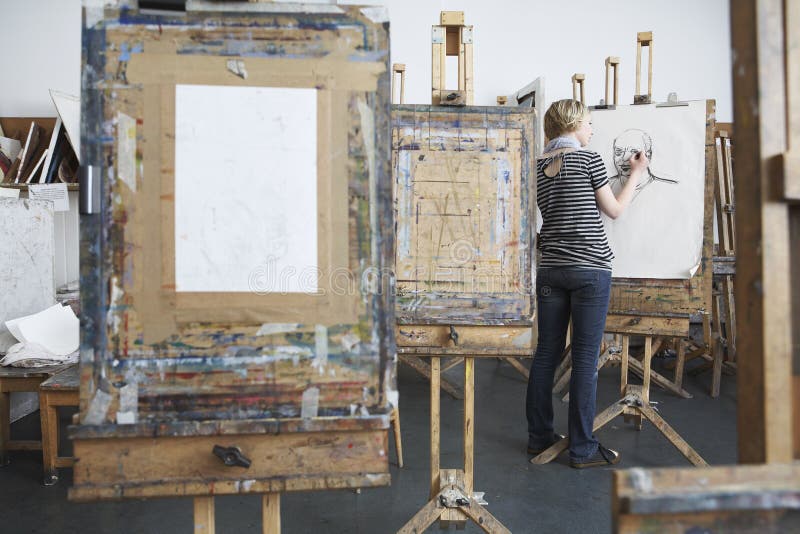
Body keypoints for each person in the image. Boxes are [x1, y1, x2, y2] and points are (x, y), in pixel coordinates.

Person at [526, 99, 648, 468]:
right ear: (575, 123)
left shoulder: (537, 166)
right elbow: (613, 210)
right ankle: (582, 449)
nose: (592, 130)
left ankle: (539, 438)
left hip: (551, 270)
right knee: (583, 359)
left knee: (546, 353)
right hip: (590, 270)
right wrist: (636, 175)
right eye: (589, 123)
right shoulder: (588, 159)